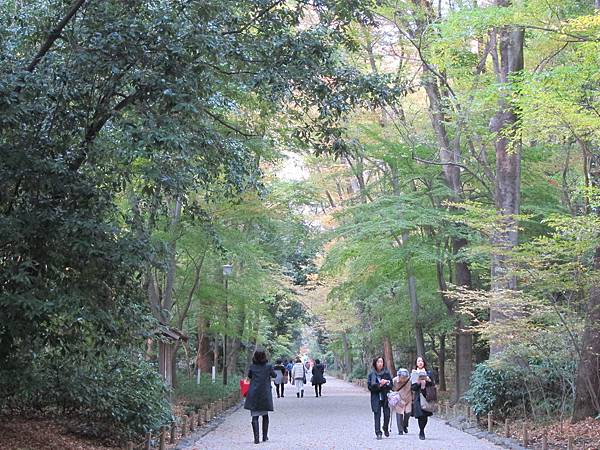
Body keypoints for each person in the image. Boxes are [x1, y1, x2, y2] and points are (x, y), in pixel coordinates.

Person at [244, 349, 276, 444]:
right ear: (264, 356)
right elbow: (274, 375)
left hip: (253, 392)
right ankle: (264, 436)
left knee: (255, 416)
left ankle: (256, 439)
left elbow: (249, 377)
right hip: (264, 393)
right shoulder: (268, 366)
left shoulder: (252, 367)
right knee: (265, 414)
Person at [367, 356, 393, 440]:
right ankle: (378, 432)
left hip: (385, 397)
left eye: (381, 362)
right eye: (378, 362)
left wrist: (386, 383)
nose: (380, 364)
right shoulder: (372, 374)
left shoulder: (386, 373)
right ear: (375, 363)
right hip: (376, 397)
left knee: (387, 415)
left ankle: (385, 427)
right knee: (377, 415)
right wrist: (380, 385)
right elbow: (370, 387)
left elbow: (391, 384)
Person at [411, 356, 435, 440]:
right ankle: (421, 431)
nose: (420, 362)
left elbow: (433, 384)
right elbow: (413, 387)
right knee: (420, 414)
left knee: (425, 415)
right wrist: (417, 383)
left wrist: (428, 380)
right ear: (416, 363)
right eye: (418, 361)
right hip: (418, 395)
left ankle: (422, 429)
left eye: (421, 361)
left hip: (426, 395)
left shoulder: (429, 372)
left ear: (424, 362)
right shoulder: (414, 373)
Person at [391, 368, 412, 435]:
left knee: (408, 413)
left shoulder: (409, 381)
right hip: (398, 399)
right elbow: (390, 389)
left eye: (405, 377)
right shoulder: (394, 380)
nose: (403, 379)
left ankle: (405, 425)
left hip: (408, 399)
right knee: (399, 414)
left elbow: (413, 389)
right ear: (399, 376)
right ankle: (400, 430)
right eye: (402, 377)